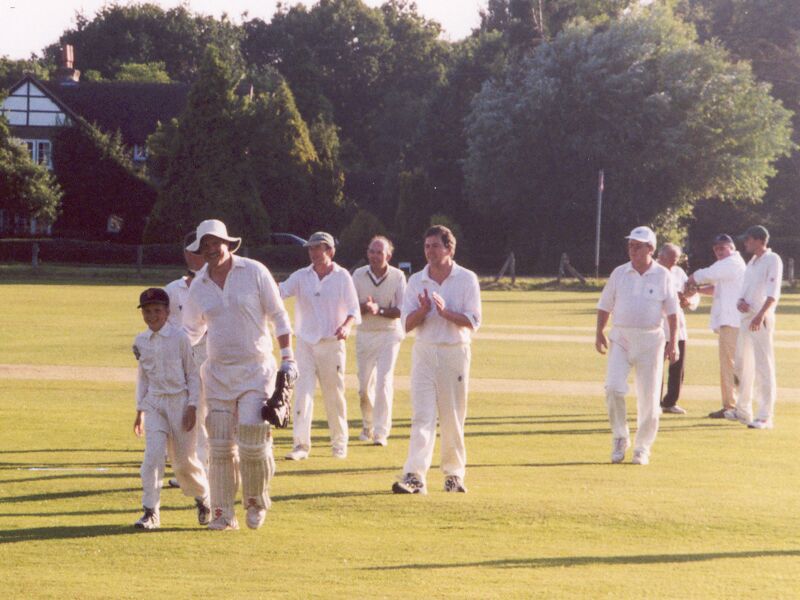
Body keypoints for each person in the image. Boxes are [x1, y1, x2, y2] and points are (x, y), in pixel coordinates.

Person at [183, 219, 295, 531]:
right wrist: (165, 350)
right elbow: (190, 331)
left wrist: (288, 359)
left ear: (228, 243)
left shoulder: (254, 271)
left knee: (251, 439)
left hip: (255, 369)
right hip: (217, 374)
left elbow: (279, 315)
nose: (211, 250)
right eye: (204, 246)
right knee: (219, 445)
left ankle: (256, 502)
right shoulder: (199, 284)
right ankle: (222, 513)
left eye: (215, 244)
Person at [392, 225, 481, 495]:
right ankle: (414, 476)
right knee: (422, 415)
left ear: (449, 249)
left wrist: (447, 313)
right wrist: (423, 310)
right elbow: (406, 325)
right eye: (427, 246)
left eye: (435, 246)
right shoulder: (417, 280)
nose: (430, 251)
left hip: (454, 352)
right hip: (425, 352)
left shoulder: (466, 279)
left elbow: (473, 321)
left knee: (453, 416)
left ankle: (454, 475)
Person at [596, 226, 679, 466]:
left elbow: (672, 313)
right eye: (630, 245)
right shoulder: (619, 273)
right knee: (613, 388)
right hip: (621, 337)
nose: (632, 249)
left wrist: (673, 342)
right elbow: (605, 304)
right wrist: (599, 331)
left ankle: (642, 448)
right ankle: (620, 436)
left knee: (650, 398)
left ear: (650, 249)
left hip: (651, 340)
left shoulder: (663, 275)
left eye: (637, 245)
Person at [132, 287, 210, 530]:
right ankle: (150, 511)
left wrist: (192, 406)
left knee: (184, 463)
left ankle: (204, 497)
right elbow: (143, 377)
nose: (152, 316)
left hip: (180, 402)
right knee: (152, 457)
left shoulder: (180, 338)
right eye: (147, 311)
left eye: (157, 310)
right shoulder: (140, 341)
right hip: (155, 403)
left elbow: (192, 374)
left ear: (167, 312)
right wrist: (139, 411)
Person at [279, 231, 361, 460]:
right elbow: (280, 292)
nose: (314, 253)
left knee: (334, 396)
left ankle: (339, 444)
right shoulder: (301, 275)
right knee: (302, 394)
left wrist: (346, 326)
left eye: (319, 248)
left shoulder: (342, 276)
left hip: (332, 343)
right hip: (305, 343)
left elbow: (354, 309)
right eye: (311, 249)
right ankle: (300, 446)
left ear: (330, 251)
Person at [352, 236, 406, 446]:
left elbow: (401, 310)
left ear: (388, 256)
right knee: (364, 387)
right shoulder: (358, 275)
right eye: (371, 251)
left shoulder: (398, 276)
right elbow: (350, 306)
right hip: (365, 334)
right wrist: (365, 308)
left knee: (384, 382)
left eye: (379, 253)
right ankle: (368, 424)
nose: (374, 256)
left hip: (389, 334)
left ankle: (382, 432)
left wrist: (379, 310)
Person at [686, 234, 747, 418]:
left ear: (732, 248)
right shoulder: (728, 268)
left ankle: (731, 407)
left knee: (730, 366)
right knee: (733, 366)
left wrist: (690, 281)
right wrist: (696, 290)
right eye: (716, 249)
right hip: (732, 322)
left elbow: (707, 274)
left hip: (732, 323)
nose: (719, 252)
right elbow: (715, 288)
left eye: (722, 248)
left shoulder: (731, 264)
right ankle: (736, 405)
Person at [728, 225, 783, 429]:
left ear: (760, 240)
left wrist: (760, 315)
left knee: (763, 367)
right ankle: (743, 410)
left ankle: (765, 416)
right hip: (745, 318)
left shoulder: (772, 259)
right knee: (742, 365)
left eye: (749, 239)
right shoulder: (751, 262)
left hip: (760, 318)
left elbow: (773, 293)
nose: (745, 243)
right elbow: (745, 290)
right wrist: (740, 301)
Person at [657, 243, 699, 414]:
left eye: (676, 260)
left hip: (678, 327)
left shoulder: (679, 272)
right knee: (655, 367)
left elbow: (692, 294)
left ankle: (670, 402)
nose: (673, 264)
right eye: (670, 260)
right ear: (661, 256)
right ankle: (653, 402)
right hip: (658, 326)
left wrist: (688, 301)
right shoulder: (652, 271)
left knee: (677, 367)